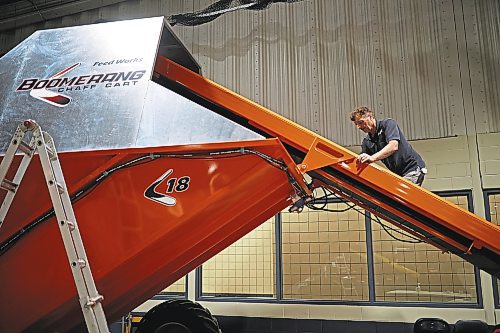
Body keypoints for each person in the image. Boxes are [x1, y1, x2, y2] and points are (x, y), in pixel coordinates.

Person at [349, 106, 427, 185]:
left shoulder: (388, 124)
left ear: (370, 116)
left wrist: (372, 158)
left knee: (399, 194)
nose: (358, 127)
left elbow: (393, 146)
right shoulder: (367, 141)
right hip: (398, 174)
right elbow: (361, 160)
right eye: (356, 124)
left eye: (361, 122)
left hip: (412, 168)